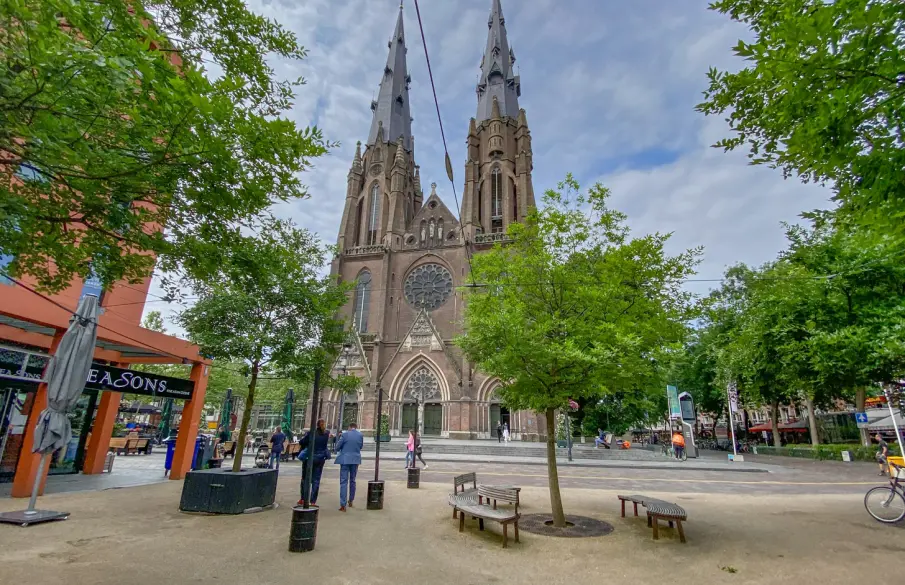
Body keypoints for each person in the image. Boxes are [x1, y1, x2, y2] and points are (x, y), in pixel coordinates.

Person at [298, 419, 331, 506]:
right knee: (316, 480)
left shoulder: (311, 433)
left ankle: (303, 498)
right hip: (320, 459)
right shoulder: (326, 433)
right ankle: (313, 501)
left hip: (310, 458)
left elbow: (302, 442)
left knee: (305, 479)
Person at [334, 422, 364, 512]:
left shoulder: (345, 434)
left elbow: (338, 447)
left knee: (343, 482)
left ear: (349, 427)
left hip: (345, 460)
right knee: (353, 480)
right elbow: (360, 446)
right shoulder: (360, 435)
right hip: (355, 460)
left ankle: (343, 505)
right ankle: (351, 500)